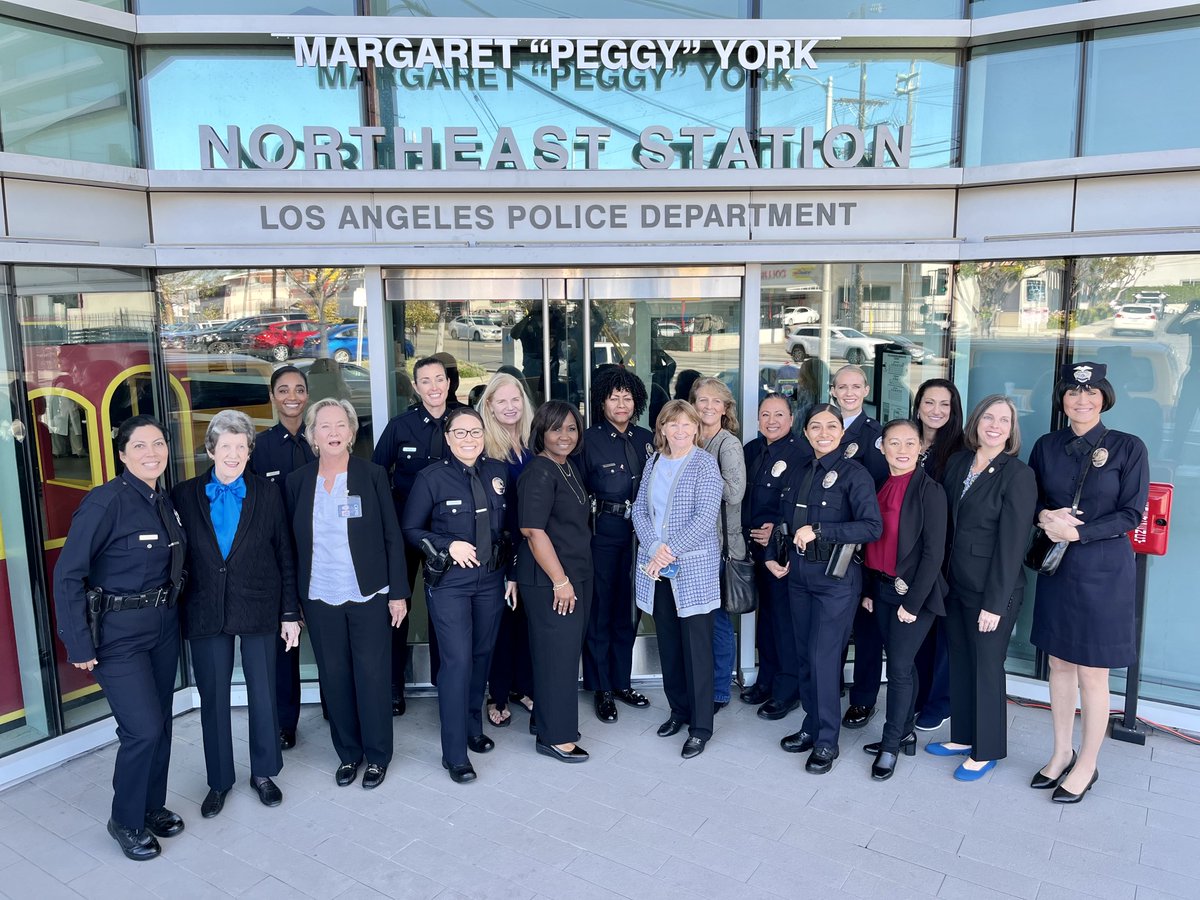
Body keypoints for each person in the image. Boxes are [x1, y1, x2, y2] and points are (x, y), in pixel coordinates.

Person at [53, 415, 187, 861]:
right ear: (123, 454)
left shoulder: (162, 500)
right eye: (141, 446)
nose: (152, 453)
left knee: (161, 724)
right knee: (142, 729)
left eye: (159, 444)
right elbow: (68, 574)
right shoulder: (105, 503)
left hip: (163, 626)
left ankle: (152, 807)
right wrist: (79, 645)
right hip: (118, 635)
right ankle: (125, 820)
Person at [1029, 362, 1149, 803]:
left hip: (1102, 570)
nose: (1082, 400)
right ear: (1062, 400)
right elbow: (1034, 496)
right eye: (1073, 394)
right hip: (1058, 568)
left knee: (1093, 675)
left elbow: (1131, 513)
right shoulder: (1047, 445)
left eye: (1092, 393)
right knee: (1059, 665)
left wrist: (1077, 532)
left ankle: (1088, 764)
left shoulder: (1127, 447)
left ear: (1104, 397)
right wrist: (1044, 517)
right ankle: (1061, 752)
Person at [172, 410, 301, 817]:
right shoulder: (184, 494)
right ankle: (219, 780)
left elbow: (285, 554)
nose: (232, 454)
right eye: (224, 446)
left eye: (240, 447)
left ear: (249, 452)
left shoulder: (267, 493)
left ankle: (264, 772)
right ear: (210, 449)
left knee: (264, 693)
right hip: (205, 608)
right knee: (213, 699)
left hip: (260, 604)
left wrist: (289, 613)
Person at [286, 398, 409, 790]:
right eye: (325, 426)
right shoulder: (297, 482)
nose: (334, 432)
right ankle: (348, 754)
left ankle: (377, 756)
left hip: (369, 593)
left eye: (341, 425)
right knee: (334, 677)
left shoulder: (371, 476)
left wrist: (398, 592)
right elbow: (290, 547)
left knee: (372, 676)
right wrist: (294, 602)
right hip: (320, 595)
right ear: (313, 436)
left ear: (352, 433)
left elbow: (393, 536)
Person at [402, 407, 517, 784]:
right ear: (448, 438)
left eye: (476, 432)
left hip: (491, 579)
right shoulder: (431, 478)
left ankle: (471, 727)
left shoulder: (497, 472)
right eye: (461, 433)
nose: (470, 439)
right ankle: (454, 754)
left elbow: (510, 530)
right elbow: (410, 528)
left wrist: (512, 575)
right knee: (456, 662)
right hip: (451, 583)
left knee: (482, 656)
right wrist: (447, 544)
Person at [930, 394, 1036, 781]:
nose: (994, 425)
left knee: (988, 667)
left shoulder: (1017, 475)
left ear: (1011, 431)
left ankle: (987, 748)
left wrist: (995, 603)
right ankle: (963, 736)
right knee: (960, 660)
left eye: (1003, 421)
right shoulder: (958, 463)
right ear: (975, 423)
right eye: (988, 418)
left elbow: (1012, 546)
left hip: (993, 591)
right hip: (955, 585)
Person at [776, 404, 882, 774]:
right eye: (816, 426)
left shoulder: (855, 474)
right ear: (805, 432)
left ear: (842, 431)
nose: (824, 432)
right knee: (805, 654)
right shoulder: (799, 470)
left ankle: (826, 741)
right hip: (800, 576)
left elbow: (871, 527)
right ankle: (810, 725)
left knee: (824, 657)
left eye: (831, 426)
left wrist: (822, 531)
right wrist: (777, 553)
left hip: (835, 580)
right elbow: (787, 520)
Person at [632, 400, 724, 758]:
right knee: (669, 645)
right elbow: (640, 508)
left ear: (696, 429)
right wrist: (654, 546)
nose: (681, 431)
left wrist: (666, 551)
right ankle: (679, 710)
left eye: (688, 425)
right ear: (663, 428)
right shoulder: (654, 461)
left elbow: (705, 518)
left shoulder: (705, 464)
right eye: (674, 425)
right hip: (658, 570)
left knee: (697, 649)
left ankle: (701, 727)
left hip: (691, 570)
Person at [858, 419, 947, 780]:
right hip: (880, 588)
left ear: (920, 448)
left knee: (896, 668)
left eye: (910, 443)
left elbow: (933, 554)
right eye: (894, 443)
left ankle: (890, 744)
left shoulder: (930, 491)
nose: (902, 450)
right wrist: (867, 590)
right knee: (903, 666)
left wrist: (912, 603)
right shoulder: (879, 485)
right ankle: (905, 732)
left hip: (913, 594)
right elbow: (870, 540)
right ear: (882, 447)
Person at [372, 355, 458, 713]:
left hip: (449, 534)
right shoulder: (400, 426)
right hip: (405, 535)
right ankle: (394, 686)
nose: (434, 387)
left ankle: (447, 686)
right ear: (416, 386)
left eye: (439, 379)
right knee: (398, 608)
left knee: (447, 612)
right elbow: (376, 477)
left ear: (449, 382)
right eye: (426, 381)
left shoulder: (464, 421)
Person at [515, 401, 593, 763]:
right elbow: (532, 530)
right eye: (556, 429)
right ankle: (555, 736)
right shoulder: (539, 472)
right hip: (550, 580)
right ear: (541, 433)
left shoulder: (567, 467)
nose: (565, 436)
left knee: (559, 655)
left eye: (572, 429)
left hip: (573, 575)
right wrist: (561, 581)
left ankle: (543, 720)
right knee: (558, 659)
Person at [580, 365, 654, 724]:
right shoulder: (588, 441)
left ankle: (622, 681)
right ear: (603, 401)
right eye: (614, 397)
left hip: (641, 539)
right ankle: (601, 687)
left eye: (627, 397)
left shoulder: (647, 438)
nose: (621, 404)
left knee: (630, 610)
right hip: (603, 535)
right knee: (601, 612)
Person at [248, 364, 314, 751]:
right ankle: (286, 722)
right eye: (284, 390)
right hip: (277, 561)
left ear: (307, 395)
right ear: (272, 397)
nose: (292, 396)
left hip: (320, 556)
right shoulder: (259, 448)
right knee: (285, 644)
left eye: (299, 389)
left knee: (329, 639)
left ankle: (336, 709)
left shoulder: (320, 439)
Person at [829, 364, 890, 732]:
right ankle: (828, 685)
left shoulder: (875, 435)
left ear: (866, 389)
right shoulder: (822, 424)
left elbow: (879, 497)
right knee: (831, 625)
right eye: (842, 387)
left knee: (866, 629)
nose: (849, 392)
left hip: (862, 547)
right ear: (833, 390)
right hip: (827, 543)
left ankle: (864, 700)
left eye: (856, 386)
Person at [477, 372, 536, 729]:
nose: (510, 407)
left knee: (528, 621)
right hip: (499, 548)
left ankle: (523, 686)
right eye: (502, 401)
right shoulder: (484, 446)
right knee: (501, 624)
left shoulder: (533, 441)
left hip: (534, 546)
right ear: (490, 406)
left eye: (516, 400)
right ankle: (497, 693)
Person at [740, 394, 804, 720]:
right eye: (765, 414)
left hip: (781, 552)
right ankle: (765, 680)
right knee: (765, 621)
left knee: (784, 623)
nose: (772, 420)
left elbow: (805, 502)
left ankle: (787, 690)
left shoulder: (801, 453)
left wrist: (780, 528)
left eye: (779, 414)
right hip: (754, 551)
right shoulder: (751, 449)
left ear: (792, 419)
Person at [909, 377, 965, 732]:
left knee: (942, 631)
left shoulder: (961, 451)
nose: (936, 411)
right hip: (909, 554)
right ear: (918, 406)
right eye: (929, 403)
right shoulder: (903, 440)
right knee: (917, 630)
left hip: (944, 555)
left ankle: (939, 701)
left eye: (944, 404)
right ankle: (918, 694)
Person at [690, 376, 746, 712]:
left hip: (722, 547)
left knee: (719, 621)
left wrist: (700, 475)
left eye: (716, 402)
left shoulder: (728, 444)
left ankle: (721, 690)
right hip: (695, 546)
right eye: (702, 401)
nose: (709, 407)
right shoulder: (691, 438)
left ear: (725, 409)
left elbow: (735, 492)